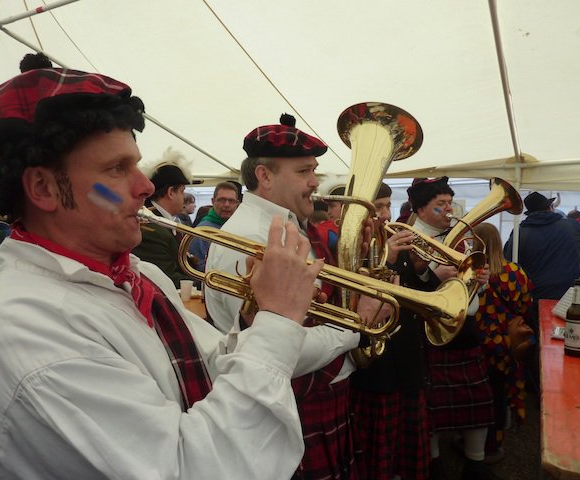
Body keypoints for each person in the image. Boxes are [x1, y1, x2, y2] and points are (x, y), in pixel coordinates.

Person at [0, 67, 325, 479]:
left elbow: (210, 366)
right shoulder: (17, 329)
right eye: (115, 170)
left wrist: (256, 313)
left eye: (137, 166)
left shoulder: (138, 276)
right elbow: (193, 469)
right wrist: (278, 321)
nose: (145, 186)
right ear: (43, 189)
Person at [206, 114, 365, 480]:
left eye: (314, 172)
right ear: (265, 176)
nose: (314, 182)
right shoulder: (250, 237)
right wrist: (356, 326)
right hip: (292, 400)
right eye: (304, 172)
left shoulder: (283, 226)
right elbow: (270, 351)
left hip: (314, 393)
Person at [405, 177, 495, 480]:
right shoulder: (410, 238)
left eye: (448, 203)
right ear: (419, 208)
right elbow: (406, 288)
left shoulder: (461, 238)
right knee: (431, 405)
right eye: (439, 205)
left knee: (477, 402)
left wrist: (480, 283)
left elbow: (472, 279)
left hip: (466, 325)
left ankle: (476, 462)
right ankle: (433, 463)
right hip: (431, 328)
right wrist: (434, 278)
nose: (448, 210)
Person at [350, 182, 433, 480]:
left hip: (407, 352)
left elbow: (414, 291)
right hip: (377, 362)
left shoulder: (392, 240)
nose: (386, 214)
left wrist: (422, 269)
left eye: (388, 205)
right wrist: (387, 261)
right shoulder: (350, 247)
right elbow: (356, 301)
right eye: (379, 207)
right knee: (378, 449)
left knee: (406, 443)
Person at [473, 222, 534, 463]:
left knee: (482, 394)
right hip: (508, 341)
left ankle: (477, 443)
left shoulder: (472, 274)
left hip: (481, 343)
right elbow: (525, 305)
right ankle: (496, 442)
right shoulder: (516, 272)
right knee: (500, 391)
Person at [504, 191, 580, 323]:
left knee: (540, 335)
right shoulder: (572, 226)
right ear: (550, 208)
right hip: (570, 297)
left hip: (535, 298)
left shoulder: (520, 233)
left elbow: (509, 264)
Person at [132, 160, 197, 288]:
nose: (184, 197)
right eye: (182, 191)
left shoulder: (162, 223)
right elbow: (167, 278)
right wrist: (207, 284)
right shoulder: (150, 228)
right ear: (171, 192)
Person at [188, 181, 239, 271]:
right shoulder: (202, 231)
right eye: (222, 200)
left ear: (237, 204)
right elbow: (197, 266)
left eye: (231, 201)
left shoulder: (239, 227)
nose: (227, 205)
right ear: (213, 201)